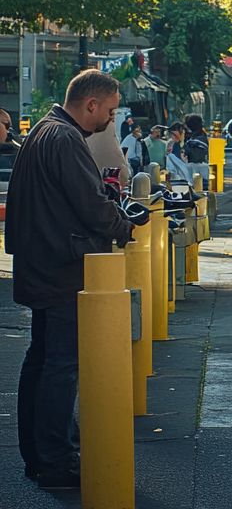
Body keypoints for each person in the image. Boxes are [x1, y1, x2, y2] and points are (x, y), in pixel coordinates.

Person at [5, 69, 134, 491]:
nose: (110, 121)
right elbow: (91, 205)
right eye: (109, 112)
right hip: (62, 268)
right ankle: (57, 459)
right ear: (90, 103)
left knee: (41, 362)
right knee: (62, 365)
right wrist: (123, 226)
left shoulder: (45, 130)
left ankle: (41, 454)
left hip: (40, 262)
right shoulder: (65, 139)